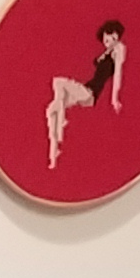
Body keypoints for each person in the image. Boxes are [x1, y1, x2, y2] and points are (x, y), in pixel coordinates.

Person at [46, 17, 126, 171]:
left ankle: (62, 123)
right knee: (51, 111)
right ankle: (54, 155)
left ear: (115, 36)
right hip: (86, 90)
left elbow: (117, 74)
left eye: (109, 38)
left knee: (58, 82)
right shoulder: (107, 52)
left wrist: (115, 99)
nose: (106, 41)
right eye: (105, 38)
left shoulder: (118, 49)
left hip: (90, 93)